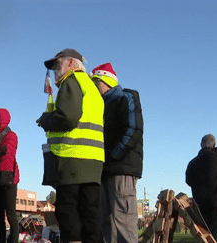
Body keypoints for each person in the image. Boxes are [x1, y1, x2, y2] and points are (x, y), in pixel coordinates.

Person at [36, 48, 105, 243]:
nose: (55, 69)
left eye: (58, 64)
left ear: (72, 63)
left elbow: (68, 117)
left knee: (69, 215)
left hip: (71, 160)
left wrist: (46, 119)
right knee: (91, 217)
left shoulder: (71, 81)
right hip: (93, 163)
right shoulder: (91, 87)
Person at [90, 63, 143, 243]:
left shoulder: (126, 97)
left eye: (95, 83)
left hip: (122, 167)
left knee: (123, 221)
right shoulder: (99, 106)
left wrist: (113, 156)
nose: (93, 88)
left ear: (105, 82)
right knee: (108, 222)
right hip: (105, 170)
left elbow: (133, 129)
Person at [186, 134, 217, 242]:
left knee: (205, 239)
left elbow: (188, 181)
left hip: (201, 209)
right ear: (214, 145)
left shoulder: (192, 163)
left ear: (201, 145)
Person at [0, 108, 20, 243]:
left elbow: (7, 155)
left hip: (8, 179)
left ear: (2, 118)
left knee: (11, 214)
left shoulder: (11, 135)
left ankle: (13, 241)